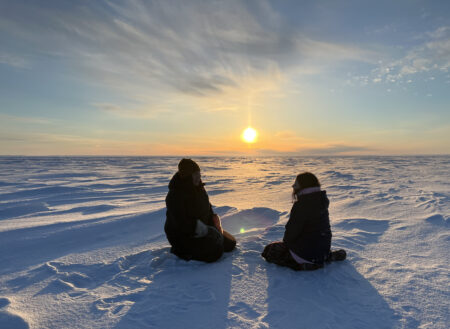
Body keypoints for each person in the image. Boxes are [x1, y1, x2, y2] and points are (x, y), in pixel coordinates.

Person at [262, 172, 346, 271]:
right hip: (323, 249)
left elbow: (292, 232)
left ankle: (305, 264)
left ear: (303, 186)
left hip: (305, 253)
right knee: (314, 245)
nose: (293, 185)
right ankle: (326, 257)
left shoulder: (302, 204)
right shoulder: (321, 200)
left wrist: (286, 245)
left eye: (296, 184)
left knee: (269, 250)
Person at [165, 158, 236, 262]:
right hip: (183, 236)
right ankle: (180, 251)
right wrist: (206, 230)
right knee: (216, 252)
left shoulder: (199, 188)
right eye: (195, 175)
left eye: (199, 174)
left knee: (230, 243)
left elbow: (208, 207)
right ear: (187, 176)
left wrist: (215, 225)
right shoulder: (175, 195)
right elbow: (182, 224)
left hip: (204, 229)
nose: (199, 177)